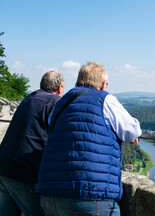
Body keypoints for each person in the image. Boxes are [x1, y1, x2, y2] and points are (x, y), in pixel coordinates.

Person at [36, 62, 142, 216]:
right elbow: (132, 130)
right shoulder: (105, 99)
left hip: (50, 193)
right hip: (90, 194)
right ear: (104, 84)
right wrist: (132, 136)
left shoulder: (61, 102)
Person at [0, 71, 65, 215]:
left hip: (4, 166)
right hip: (25, 170)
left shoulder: (29, 98)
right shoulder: (54, 102)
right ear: (60, 88)